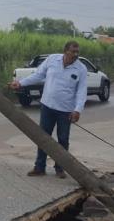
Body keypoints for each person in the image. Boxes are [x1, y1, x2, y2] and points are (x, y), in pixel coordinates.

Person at [9, 41, 87, 179]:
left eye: (77, 52)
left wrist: (77, 110)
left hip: (66, 111)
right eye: (73, 51)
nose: (75, 55)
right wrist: (20, 83)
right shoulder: (52, 59)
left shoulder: (81, 69)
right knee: (43, 138)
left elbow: (81, 91)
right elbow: (38, 75)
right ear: (65, 51)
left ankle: (60, 168)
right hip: (47, 106)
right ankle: (39, 167)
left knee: (63, 140)